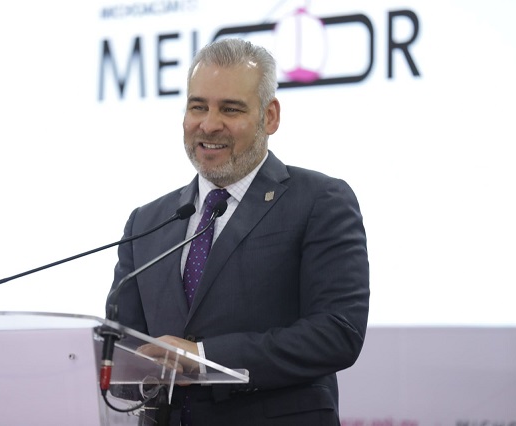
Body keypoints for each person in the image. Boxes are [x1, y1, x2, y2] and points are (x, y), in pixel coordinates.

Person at [108, 38, 369, 425]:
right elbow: (121, 355)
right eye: (198, 106)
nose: (209, 124)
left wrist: (203, 357)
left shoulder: (319, 201)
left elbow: (336, 333)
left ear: (270, 117)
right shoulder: (146, 222)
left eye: (230, 109)